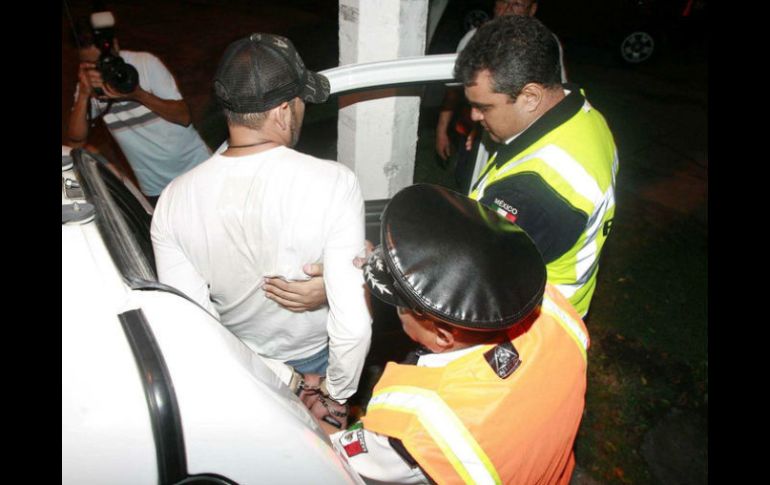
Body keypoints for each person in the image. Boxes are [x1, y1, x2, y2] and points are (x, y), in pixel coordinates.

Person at [150, 33, 372, 420]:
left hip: (243, 365)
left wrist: (283, 378)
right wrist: (335, 397)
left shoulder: (173, 200)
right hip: (321, 357)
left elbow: (195, 327)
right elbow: (352, 326)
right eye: (302, 102)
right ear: (283, 111)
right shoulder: (333, 182)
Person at [327, 183, 589, 484]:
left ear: (442, 336)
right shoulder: (558, 310)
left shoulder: (418, 421)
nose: (396, 311)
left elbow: (341, 459)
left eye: (400, 306)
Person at [456, 15, 618, 317]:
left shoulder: (533, 195)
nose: (475, 116)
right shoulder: (584, 116)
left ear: (530, 96)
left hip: (527, 325)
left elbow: (469, 281)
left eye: (484, 107)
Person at [67, 11, 210, 206]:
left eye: (101, 61)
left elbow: (183, 117)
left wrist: (138, 94)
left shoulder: (144, 63)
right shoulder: (89, 82)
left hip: (198, 168)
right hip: (156, 188)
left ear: (114, 46)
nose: (99, 69)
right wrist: (83, 94)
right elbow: (76, 140)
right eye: (90, 64)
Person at [436, 0, 567, 194]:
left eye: (516, 4)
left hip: (526, 144)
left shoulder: (544, 45)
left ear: (532, 9)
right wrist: (441, 129)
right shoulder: (474, 38)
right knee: (468, 188)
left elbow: (557, 94)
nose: (507, 10)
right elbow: (454, 90)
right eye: (502, 2)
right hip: (476, 139)